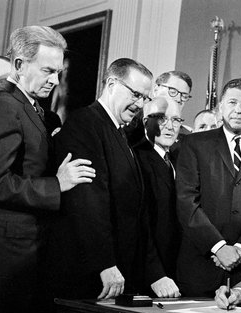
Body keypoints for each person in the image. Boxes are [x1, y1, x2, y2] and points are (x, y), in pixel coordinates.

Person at [0, 25, 95, 313]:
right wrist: (57, 184)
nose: (55, 80)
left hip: (28, 251)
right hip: (9, 256)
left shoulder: (33, 108)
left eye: (59, 73)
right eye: (48, 71)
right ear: (19, 64)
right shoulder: (4, 105)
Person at [48, 58, 166, 300]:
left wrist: (154, 272)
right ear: (112, 83)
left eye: (145, 98)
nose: (139, 104)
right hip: (94, 275)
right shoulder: (85, 123)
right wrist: (104, 263)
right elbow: (87, 200)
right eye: (135, 94)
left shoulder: (121, 133)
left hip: (120, 271)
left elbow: (136, 209)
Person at [176, 78, 241, 297]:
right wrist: (218, 246)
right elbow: (186, 201)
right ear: (220, 106)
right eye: (232, 102)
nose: (238, 110)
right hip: (200, 265)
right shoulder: (195, 145)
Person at [135, 97, 184, 297]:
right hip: (147, 276)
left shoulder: (177, 160)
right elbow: (138, 223)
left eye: (176, 120)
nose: (170, 127)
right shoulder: (137, 159)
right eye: (162, 119)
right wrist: (154, 273)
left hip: (174, 274)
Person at [125, 70, 193, 146]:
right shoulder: (128, 119)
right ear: (156, 90)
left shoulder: (187, 137)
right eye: (173, 92)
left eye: (184, 96)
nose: (178, 99)